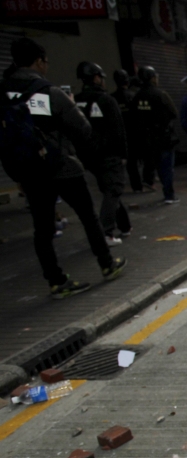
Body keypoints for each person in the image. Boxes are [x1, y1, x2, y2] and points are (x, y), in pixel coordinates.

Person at [0, 38, 127, 298]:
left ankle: (56, 281)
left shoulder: (3, 92)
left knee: (42, 228)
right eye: (45, 62)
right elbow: (82, 129)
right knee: (87, 216)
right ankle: (106, 264)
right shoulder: (49, 92)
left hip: (28, 170)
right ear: (38, 61)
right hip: (60, 166)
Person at [74, 61, 131, 246]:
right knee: (113, 189)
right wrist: (124, 154)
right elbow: (119, 129)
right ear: (97, 78)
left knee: (110, 189)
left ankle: (125, 225)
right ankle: (105, 232)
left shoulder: (76, 100)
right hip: (109, 154)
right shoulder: (105, 100)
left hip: (89, 156)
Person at [131, 66, 180, 202]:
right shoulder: (160, 94)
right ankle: (169, 194)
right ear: (152, 78)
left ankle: (164, 190)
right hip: (163, 137)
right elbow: (174, 113)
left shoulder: (137, 97)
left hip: (147, 139)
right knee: (167, 167)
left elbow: (135, 118)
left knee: (158, 165)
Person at [109, 69, 145, 193]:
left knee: (128, 162)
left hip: (119, 134)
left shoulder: (112, 98)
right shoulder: (133, 96)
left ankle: (134, 185)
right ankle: (142, 183)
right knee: (138, 159)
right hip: (134, 132)